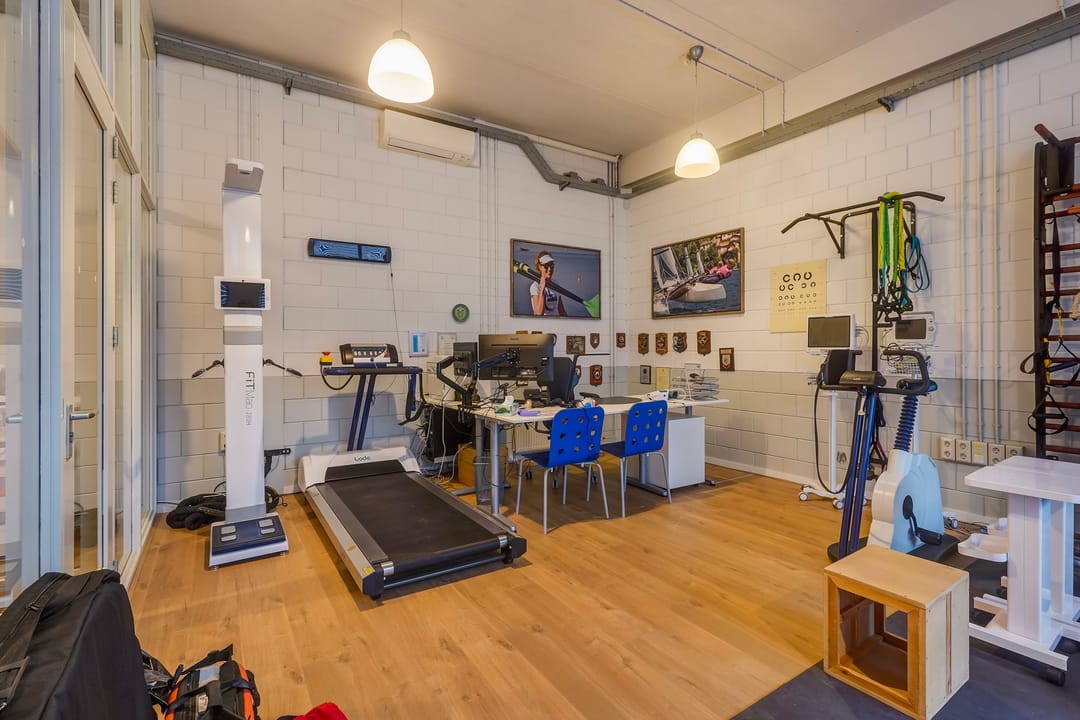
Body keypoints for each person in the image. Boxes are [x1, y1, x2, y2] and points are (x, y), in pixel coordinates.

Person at [530, 251, 567, 316]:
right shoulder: (535, 286)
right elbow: (538, 314)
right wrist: (542, 290)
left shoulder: (556, 284)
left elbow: (561, 311)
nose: (550, 269)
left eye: (551, 265)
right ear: (540, 267)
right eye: (546, 266)